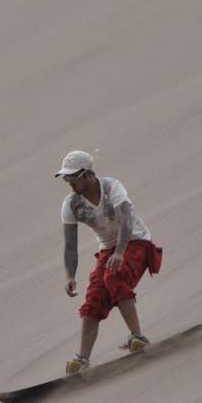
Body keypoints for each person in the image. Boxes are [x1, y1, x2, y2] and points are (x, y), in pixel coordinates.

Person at [55, 150, 162, 375]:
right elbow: (70, 244)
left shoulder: (113, 187)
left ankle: (137, 336)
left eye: (73, 177)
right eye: (66, 178)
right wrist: (70, 276)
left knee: (114, 276)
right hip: (108, 249)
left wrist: (120, 253)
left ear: (87, 175)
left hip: (136, 241)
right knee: (94, 296)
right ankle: (82, 359)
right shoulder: (71, 204)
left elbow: (125, 222)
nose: (70, 183)